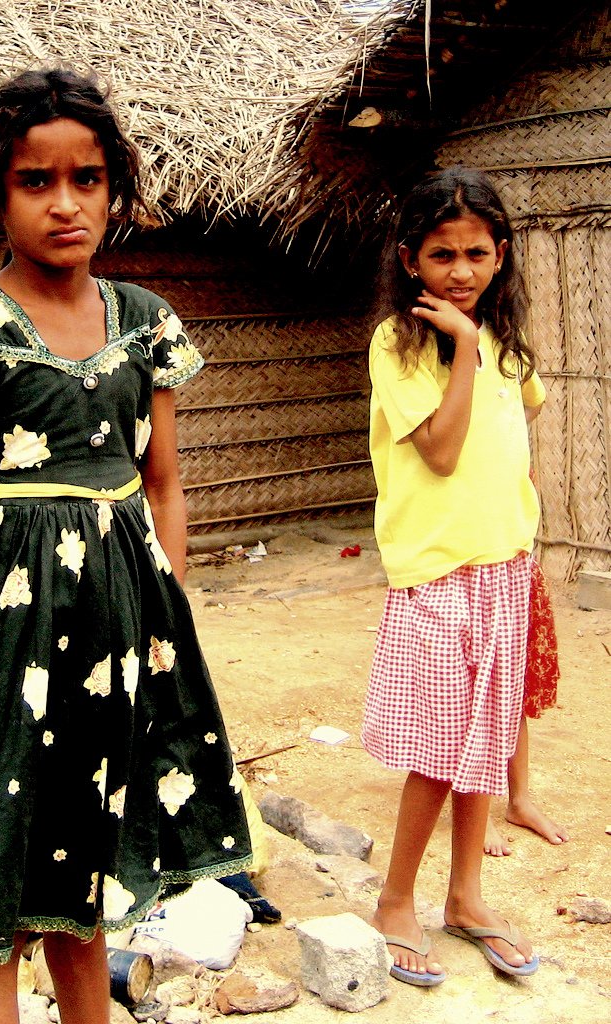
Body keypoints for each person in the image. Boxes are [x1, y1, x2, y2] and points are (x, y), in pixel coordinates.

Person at [0, 68, 252, 1024]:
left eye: (87, 179)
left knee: (85, 898)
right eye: (36, 181)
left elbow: (160, 482)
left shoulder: (145, 325)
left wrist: (161, 638)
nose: (65, 203)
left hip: (116, 654)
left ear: (115, 188)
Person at [361, 167, 544, 986]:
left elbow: (526, 408)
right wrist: (464, 350)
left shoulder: (505, 343)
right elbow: (437, 450)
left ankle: (466, 898)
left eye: (476, 253)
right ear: (410, 260)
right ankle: (396, 899)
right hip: (436, 570)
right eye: (442, 255)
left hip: (505, 562)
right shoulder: (397, 346)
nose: (461, 271)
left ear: (499, 255)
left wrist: (481, 348)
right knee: (438, 748)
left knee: (487, 737)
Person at [484, 555, 570, 855]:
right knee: (474, 694)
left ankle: (519, 800)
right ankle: (476, 813)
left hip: (515, 564)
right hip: (468, 569)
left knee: (514, 688)